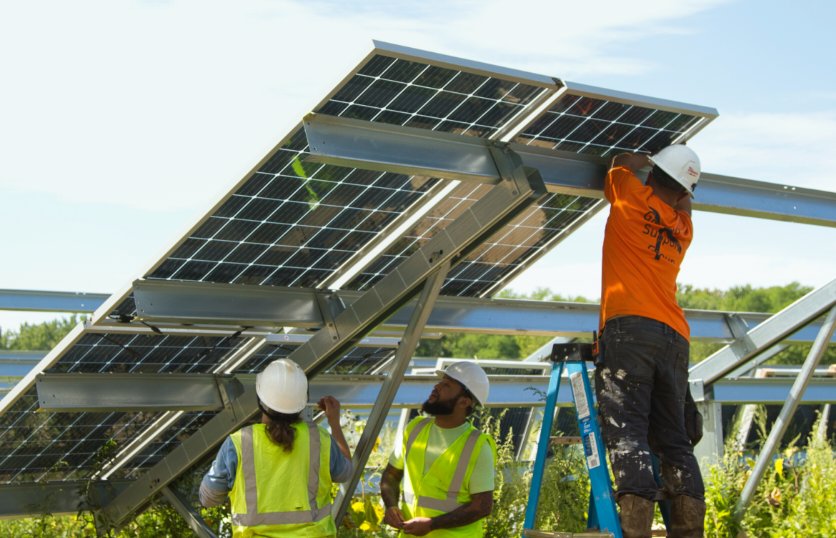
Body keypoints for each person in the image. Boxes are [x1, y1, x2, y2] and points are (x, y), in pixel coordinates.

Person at [594, 145, 706, 538]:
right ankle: (689, 530)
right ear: (683, 190)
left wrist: (642, 157)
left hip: (630, 329)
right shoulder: (684, 227)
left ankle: (636, 529)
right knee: (675, 440)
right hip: (674, 336)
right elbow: (685, 202)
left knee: (627, 430)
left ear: (654, 174)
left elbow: (619, 162)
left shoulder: (629, 195)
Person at [200, 358, 353, 537]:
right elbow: (345, 472)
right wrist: (334, 422)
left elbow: (209, 499)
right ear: (301, 402)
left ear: (260, 399)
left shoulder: (239, 443)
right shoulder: (319, 438)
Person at [380, 361, 496, 537]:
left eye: (446, 385)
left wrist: (432, 524)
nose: (437, 387)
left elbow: (482, 507)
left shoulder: (478, 447)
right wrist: (391, 507)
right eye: (441, 382)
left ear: (464, 402)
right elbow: (390, 476)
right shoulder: (414, 428)